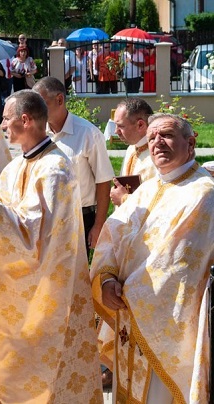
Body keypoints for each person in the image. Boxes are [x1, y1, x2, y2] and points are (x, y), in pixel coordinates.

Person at [0, 90, 102, 403]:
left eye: (6, 118)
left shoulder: (55, 170)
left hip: (50, 294)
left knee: (53, 377)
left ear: (25, 120)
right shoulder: (18, 165)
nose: (2, 124)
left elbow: (34, 235)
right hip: (26, 289)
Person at [91, 113, 214, 403]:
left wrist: (130, 293)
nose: (158, 142)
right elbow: (113, 237)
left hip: (168, 324)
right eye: (152, 137)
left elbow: (178, 265)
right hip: (128, 312)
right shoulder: (147, 188)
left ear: (191, 143)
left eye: (167, 135)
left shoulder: (203, 194)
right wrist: (106, 279)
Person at [33, 77, 114, 248]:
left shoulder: (88, 133)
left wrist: (98, 226)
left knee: (77, 274)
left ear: (60, 100)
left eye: (41, 104)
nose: (36, 111)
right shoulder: (38, 134)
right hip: (46, 219)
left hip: (80, 218)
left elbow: (103, 181)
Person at [110, 98, 157, 206]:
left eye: (121, 126)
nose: (116, 131)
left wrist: (124, 199)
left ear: (140, 125)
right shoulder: (132, 148)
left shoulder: (157, 156)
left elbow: (158, 199)